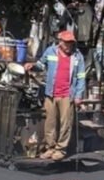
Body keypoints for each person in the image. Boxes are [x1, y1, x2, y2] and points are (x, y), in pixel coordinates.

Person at [25, 30, 86, 161]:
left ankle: (60, 149)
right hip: (51, 94)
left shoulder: (77, 56)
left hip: (67, 95)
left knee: (65, 124)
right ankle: (50, 147)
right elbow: (41, 65)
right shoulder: (50, 51)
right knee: (50, 123)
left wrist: (78, 96)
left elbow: (81, 77)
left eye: (71, 42)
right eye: (67, 42)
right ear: (60, 42)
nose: (69, 45)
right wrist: (32, 66)